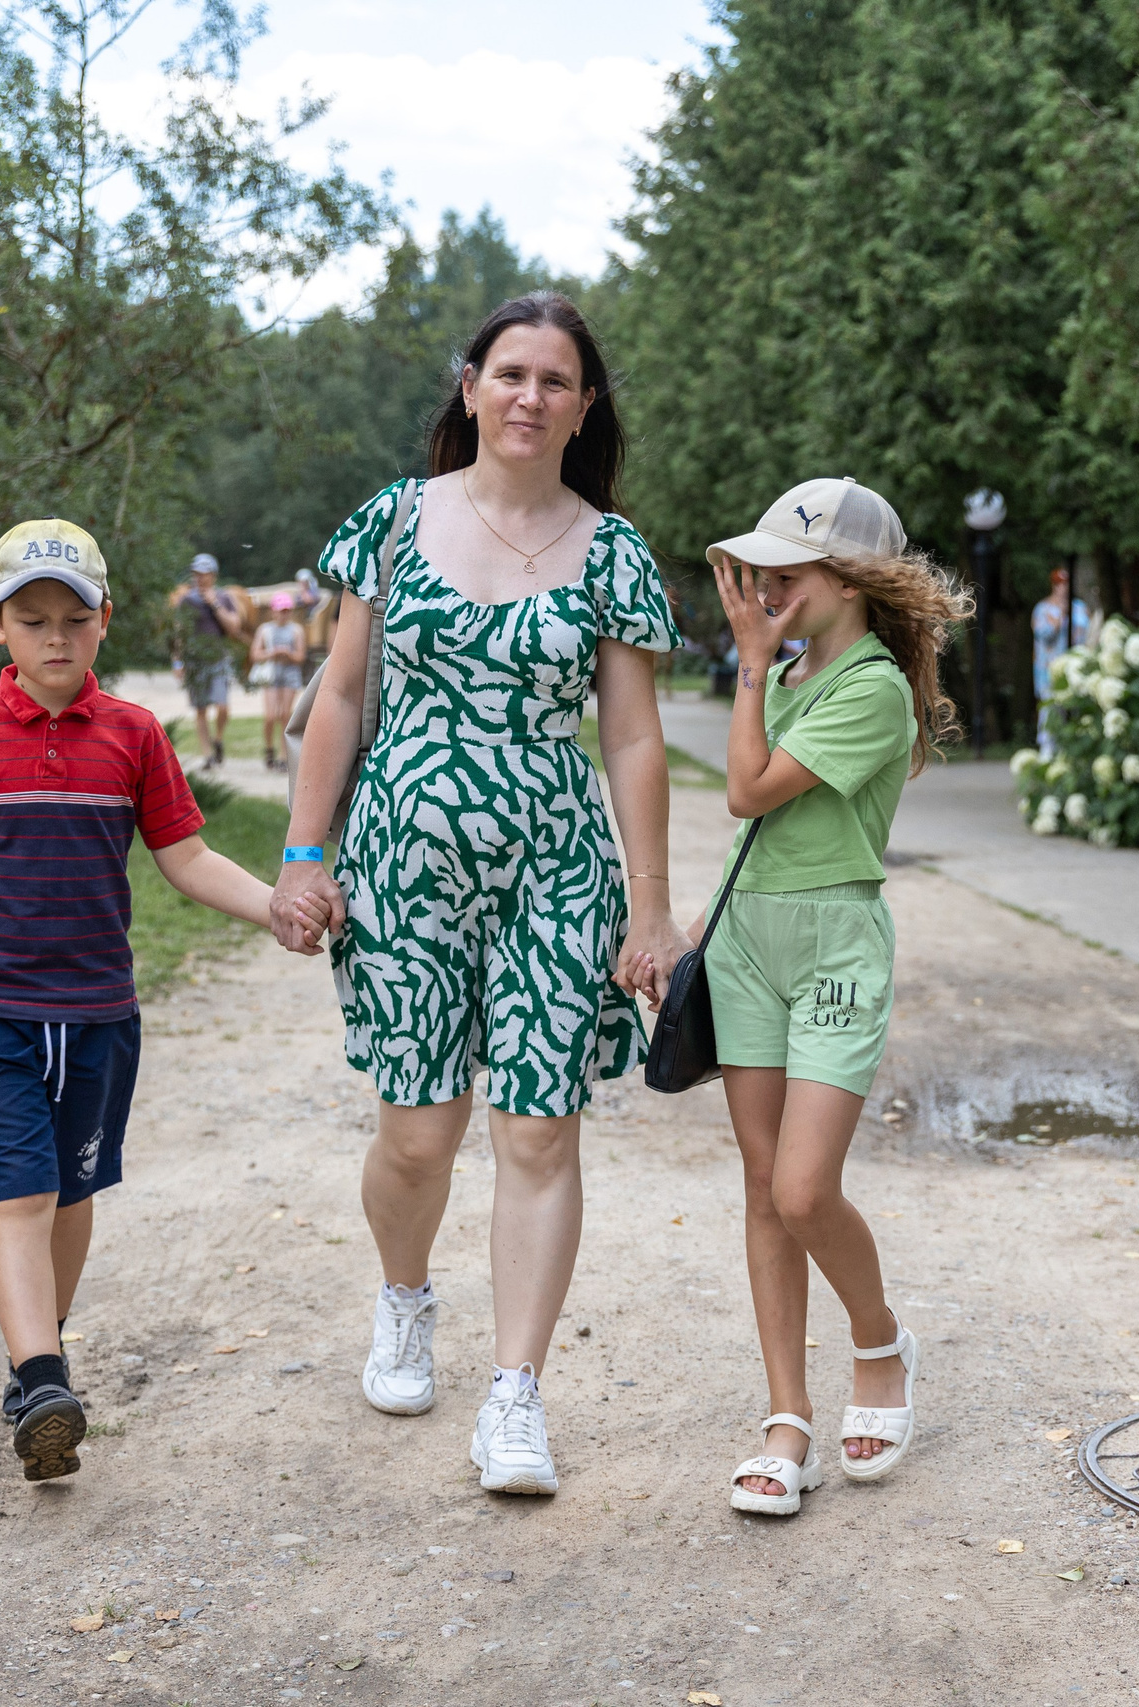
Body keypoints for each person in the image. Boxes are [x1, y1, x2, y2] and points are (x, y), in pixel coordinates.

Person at [270, 293, 686, 1498]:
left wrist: (649, 910)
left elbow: (633, 744)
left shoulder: (610, 550)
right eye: (510, 373)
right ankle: (405, 1302)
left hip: (557, 866)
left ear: (583, 407)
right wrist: (306, 854)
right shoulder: (395, 527)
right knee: (417, 1130)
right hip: (405, 861)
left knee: (540, 1127)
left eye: (555, 380)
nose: (529, 396)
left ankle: (515, 1395)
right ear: (470, 389)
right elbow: (341, 698)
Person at [0, 519, 311, 1483]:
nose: (56, 638)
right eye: (33, 620)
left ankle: (42, 1361)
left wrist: (274, 905)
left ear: (106, 621)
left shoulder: (135, 737)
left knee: (71, 1191)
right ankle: (40, 1376)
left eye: (75, 619)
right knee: (19, 1190)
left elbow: (187, 857)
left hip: (99, 1016)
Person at [649, 476, 968, 1517]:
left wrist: (745, 671)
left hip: (833, 945)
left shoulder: (871, 688)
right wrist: (693, 927)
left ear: (851, 580)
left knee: (801, 1188)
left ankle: (879, 1345)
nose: (764, 585)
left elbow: (746, 789)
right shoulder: (790, 676)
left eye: (786, 569)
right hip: (747, 944)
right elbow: (758, 834)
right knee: (757, 1184)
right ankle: (786, 1418)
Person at [168, 553, 244, 767]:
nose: (200, 578)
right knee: (200, 709)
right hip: (194, 661)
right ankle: (208, 754)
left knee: (222, 707)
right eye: (196, 574)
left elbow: (234, 628)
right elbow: (179, 632)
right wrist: (177, 661)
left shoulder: (224, 597)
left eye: (204, 574)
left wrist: (214, 605)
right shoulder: (187, 600)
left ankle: (218, 739)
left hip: (218, 659)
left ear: (213, 576)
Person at [247, 592, 308, 770]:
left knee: (285, 715)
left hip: (290, 674)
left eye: (287, 611)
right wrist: (272, 653)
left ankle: (283, 755)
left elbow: (301, 656)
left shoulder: (296, 630)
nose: (284, 614)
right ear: (273, 612)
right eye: (281, 611)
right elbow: (255, 655)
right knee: (271, 715)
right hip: (272, 674)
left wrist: (288, 654)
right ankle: (269, 748)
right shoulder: (265, 630)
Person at [1031, 568, 1072, 757]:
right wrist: (1060, 616)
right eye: (1059, 584)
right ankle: (1047, 755)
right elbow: (1043, 634)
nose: (1063, 588)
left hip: (1073, 671)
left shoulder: (1079, 607)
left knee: (1071, 713)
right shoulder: (1043, 609)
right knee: (1049, 713)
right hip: (1048, 672)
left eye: (1065, 583)